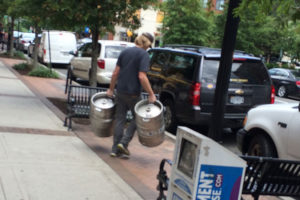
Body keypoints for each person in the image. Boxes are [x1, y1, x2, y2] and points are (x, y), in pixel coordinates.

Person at [106, 32, 157, 158]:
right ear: (148, 44)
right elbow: (142, 76)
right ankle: (123, 143)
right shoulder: (144, 54)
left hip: (121, 91)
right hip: (134, 93)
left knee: (120, 119)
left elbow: (115, 73)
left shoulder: (125, 52)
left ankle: (114, 150)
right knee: (138, 118)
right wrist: (151, 94)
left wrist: (111, 89)